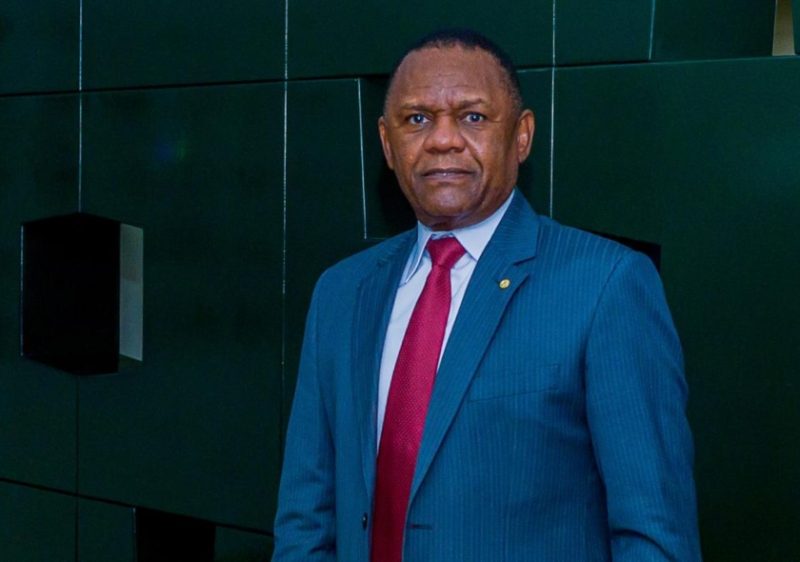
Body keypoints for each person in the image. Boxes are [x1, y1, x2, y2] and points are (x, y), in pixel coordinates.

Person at [273, 29, 702, 562]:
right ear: (387, 144)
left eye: (473, 117)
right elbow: (306, 520)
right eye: (417, 119)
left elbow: (653, 535)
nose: (442, 140)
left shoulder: (606, 286)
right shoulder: (341, 293)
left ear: (521, 136)